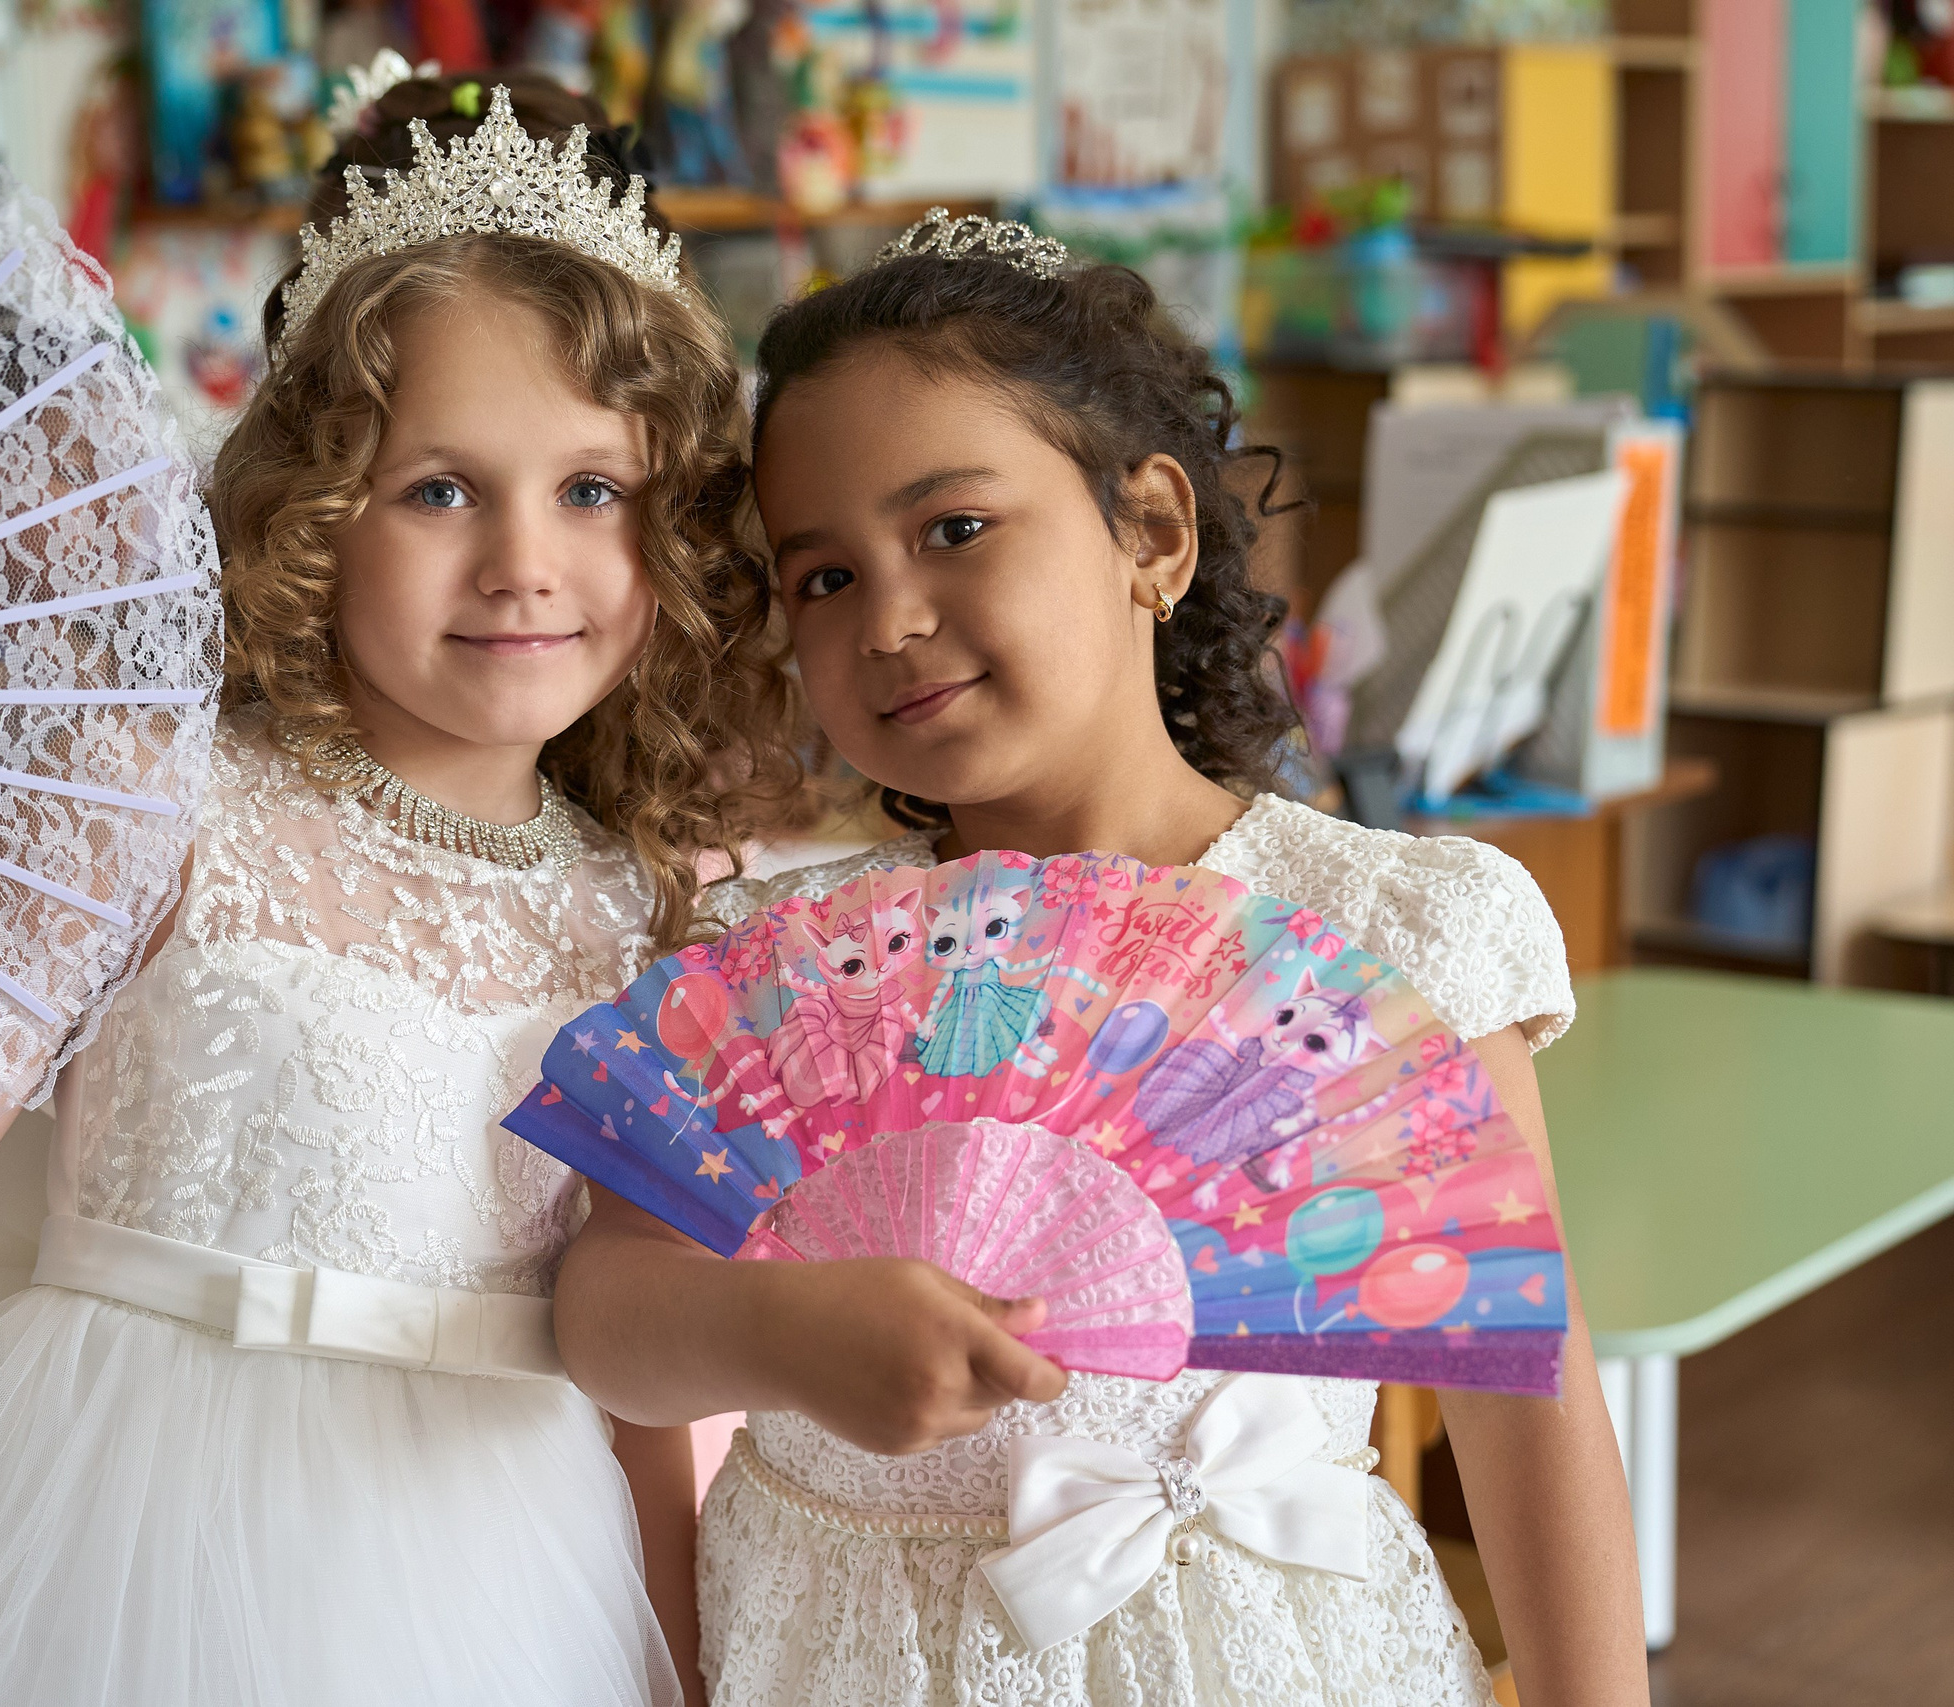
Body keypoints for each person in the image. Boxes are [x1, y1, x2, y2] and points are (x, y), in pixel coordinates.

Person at [0, 71, 795, 1706]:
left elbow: (641, 1400)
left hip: (503, 1581)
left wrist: (681, 1673)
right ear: (322, 514)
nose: (525, 563)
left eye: (591, 491)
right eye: (441, 489)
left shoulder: (647, 908)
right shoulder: (166, 801)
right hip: (111, 1551)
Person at [550, 214, 1649, 1706]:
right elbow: (606, 1321)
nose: (895, 618)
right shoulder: (775, 971)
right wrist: (772, 1334)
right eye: (823, 577)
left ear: (1154, 533)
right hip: (840, 1655)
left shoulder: (1395, 936)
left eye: (955, 529)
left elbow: (1526, 1407)